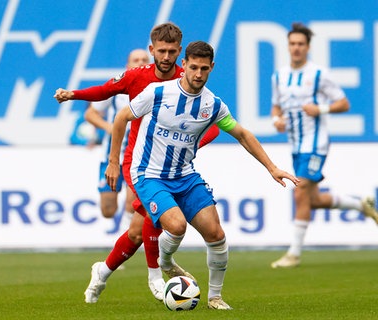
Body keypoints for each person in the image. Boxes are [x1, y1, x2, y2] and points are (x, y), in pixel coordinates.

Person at [106, 40, 299, 310]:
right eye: (193, 67)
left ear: (212, 68)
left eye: (204, 69)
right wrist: (113, 161)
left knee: (216, 233)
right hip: (149, 174)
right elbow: (121, 118)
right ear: (183, 65)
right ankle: (166, 262)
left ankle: (215, 297)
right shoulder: (158, 92)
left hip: (185, 176)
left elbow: (242, 134)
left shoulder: (212, 104)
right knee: (176, 225)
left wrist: (272, 167)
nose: (198, 74)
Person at [54, 22, 220, 303]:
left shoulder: (188, 78)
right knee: (147, 211)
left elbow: (212, 125)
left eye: (171, 52)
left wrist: (190, 144)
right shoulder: (136, 77)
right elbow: (105, 91)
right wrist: (74, 94)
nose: (166, 57)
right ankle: (156, 274)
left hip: (172, 165)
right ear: (152, 50)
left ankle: (102, 272)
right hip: (139, 161)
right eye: (162, 51)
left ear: (179, 52)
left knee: (135, 231)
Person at [270, 23, 378, 269]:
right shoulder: (279, 76)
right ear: (288, 46)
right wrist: (276, 120)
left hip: (316, 143)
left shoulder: (318, 74)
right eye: (292, 44)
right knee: (312, 199)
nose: (296, 48)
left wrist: (321, 108)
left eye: (301, 44)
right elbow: (276, 106)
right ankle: (360, 205)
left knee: (299, 191)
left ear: (307, 47)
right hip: (296, 144)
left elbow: (344, 103)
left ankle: (294, 254)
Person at [83, 49, 149, 227]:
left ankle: (131, 241)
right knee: (108, 209)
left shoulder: (157, 88)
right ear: (128, 66)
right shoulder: (117, 87)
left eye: (144, 59)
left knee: (131, 202)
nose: (141, 62)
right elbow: (90, 113)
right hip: (112, 154)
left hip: (139, 157)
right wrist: (109, 128)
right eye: (136, 60)